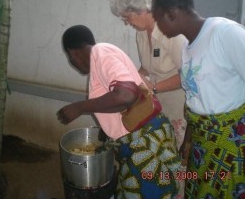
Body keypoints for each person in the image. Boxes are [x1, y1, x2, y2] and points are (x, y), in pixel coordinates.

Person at [57, 25, 181, 199]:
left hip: (144, 145)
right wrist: (107, 128)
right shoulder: (100, 59)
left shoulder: (100, 53)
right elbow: (120, 101)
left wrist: (79, 107)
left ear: (72, 54)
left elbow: (126, 94)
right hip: (143, 139)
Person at [151, 0, 245, 199]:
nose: (158, 27)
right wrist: (188, 140)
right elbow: (195, 97)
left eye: (158, 19)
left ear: (172, 14)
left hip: (229, 142)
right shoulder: (187, 49)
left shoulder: (224, 33)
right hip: (202, 144)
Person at [109, 0, 188, 151]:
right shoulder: (141, 34)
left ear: (142, 9)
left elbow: (189, 75)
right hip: (154, 106)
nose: (126, 22)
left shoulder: (173, 32)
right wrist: (131, 80)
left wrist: (154, 87)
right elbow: (147, 67)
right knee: (158, 152)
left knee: (174, 153)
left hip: (177, 105)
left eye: (127, 17)